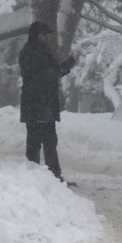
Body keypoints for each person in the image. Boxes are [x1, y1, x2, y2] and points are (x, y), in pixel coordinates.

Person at [18, 21, 76, 183]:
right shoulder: (31, 52)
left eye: (47, 35)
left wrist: (65, 66)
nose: (46, 38)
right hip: (37, 104)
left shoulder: (41, 50)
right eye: (44, 35)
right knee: (38, 142)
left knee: (47, 142)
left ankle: (51, 177)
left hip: (43, 104)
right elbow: (46, 75)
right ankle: (37, 176)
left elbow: (51, 73)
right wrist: (66, 66)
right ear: (36, 35)